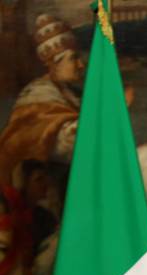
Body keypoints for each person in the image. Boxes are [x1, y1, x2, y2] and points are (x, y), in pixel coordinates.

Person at [0, 14, 84, 185]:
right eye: (73, 58)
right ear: (54, 63)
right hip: (39, 192)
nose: (81, 65)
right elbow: (67, 146)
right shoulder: (37, 98)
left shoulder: (68, 92)